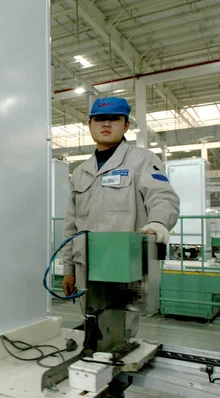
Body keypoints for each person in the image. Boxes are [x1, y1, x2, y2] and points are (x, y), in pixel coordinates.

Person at [61, 97, 179, 335]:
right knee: (91, 325)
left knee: (120, 333)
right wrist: (68, 270)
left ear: (126, 126)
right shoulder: (80, 172)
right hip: (87, 267)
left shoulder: (141, 160)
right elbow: (71, 225)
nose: (106, 124)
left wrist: (158, 222)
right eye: (100, 119)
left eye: (114, 119)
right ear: (90, 125)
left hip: (123, 264)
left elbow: (163, 197)